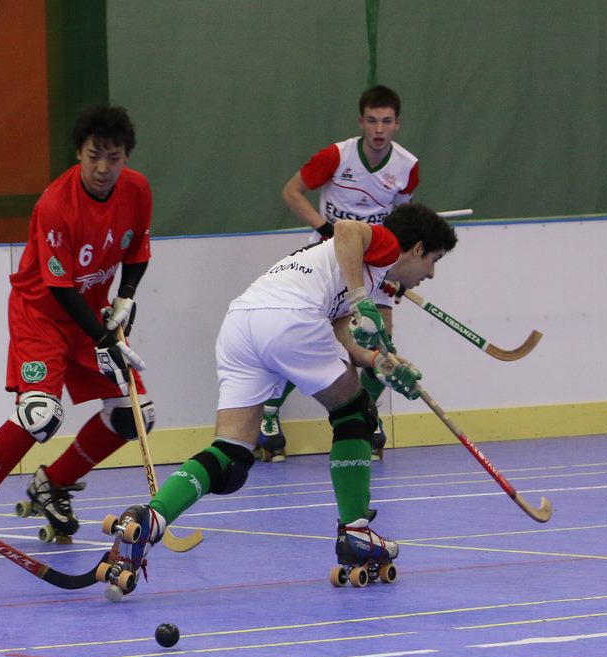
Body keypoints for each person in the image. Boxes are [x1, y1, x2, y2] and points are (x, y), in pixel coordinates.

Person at [101, 203, 456, 593]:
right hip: (289, 318)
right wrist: (360, 300)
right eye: (434, 260)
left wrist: (382, 363)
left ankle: (150, 519)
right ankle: (356, 531)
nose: (430, 274)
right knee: (355, 413)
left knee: (232, 455)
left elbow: (342, 336)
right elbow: (347, 228)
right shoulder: (383, 247)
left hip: (242, 325)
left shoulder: (353, 270)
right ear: (417, 248)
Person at [0, 104, 154, 542]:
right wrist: (103, 339)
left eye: (114, 158)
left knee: (134, 416)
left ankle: (53, 483)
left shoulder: (137, 190)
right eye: (94, 156)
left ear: (127, 157)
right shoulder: (55, 205)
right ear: (79, 152)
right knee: (41, 415)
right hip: (40, 314)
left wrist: (125, 297)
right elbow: (60, 287)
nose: (103, 168)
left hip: (90, 314)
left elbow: (137, 251)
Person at [262, 84, 420, 461]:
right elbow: (292, 192)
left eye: (386, 122)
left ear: (397, 124)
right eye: (372, 121)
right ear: (360, 121)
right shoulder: (336, 156)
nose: (379, 130)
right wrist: (325, 228)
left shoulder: (407, 167)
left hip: (377, 263)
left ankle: (368, 412)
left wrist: (397, 272)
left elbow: (402, 222)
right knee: (315, 342)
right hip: (331, 261)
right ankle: (269, 412)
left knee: (382, 345)